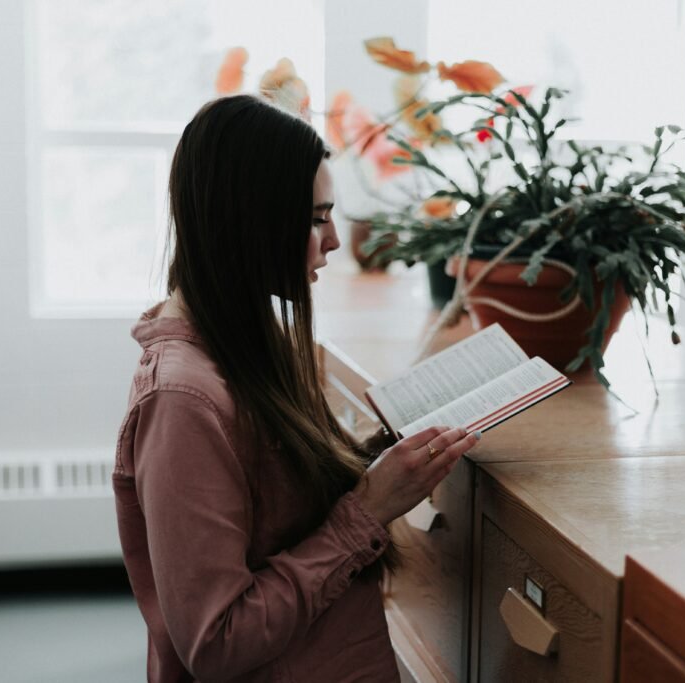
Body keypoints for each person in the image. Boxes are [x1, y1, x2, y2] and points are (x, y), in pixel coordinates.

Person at [113, 94, 481, 683]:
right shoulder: (183, 401)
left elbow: (277, 515)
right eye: (314, 219)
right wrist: (368, 510)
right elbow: (217, 642)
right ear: (246, 221)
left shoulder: (245, 345)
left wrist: (373, 459)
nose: (334, 240)